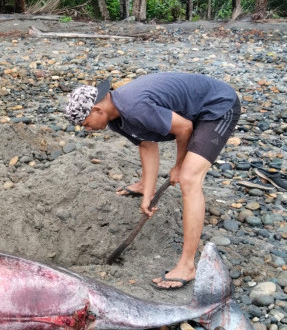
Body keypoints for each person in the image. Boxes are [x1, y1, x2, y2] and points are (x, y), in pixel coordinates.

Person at [65, 72, 240, 289]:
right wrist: (147, 193)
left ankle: (187, 265)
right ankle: (143, 185)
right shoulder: (116, 118)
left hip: (218, 107)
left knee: (188, 178)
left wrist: (178, 165)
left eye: (86, 124)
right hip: (195, 110)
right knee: (181, 172)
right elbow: (147, 144)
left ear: (97, 109)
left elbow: (184, 127)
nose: (88, 129)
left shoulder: (134, 107)